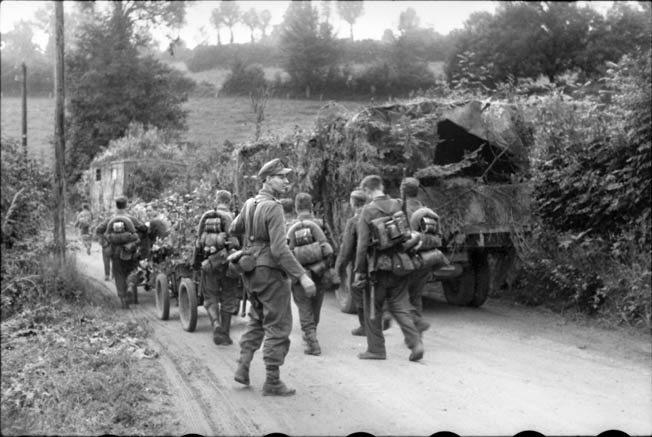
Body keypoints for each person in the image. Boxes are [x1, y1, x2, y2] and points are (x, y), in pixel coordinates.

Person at [230, 158, 316, 396]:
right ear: (267, 179)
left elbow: (233, 229)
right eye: (281, 177)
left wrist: (253, 237)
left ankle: (243, 366)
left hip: (251, 272)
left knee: (257, 319)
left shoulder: (250, 203)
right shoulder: (274, 207)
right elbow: (280, 249)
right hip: (270, 273)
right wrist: (302, 275)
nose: (286, 181)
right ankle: (272, 381)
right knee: (278, 326)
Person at [352, 175, 424, 361]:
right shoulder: (398, 204)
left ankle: (376, 350)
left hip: (378, 267)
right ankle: (415, 343)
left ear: (367, 191)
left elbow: (362, 245)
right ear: (382, 186)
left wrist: (359, 272)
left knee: (373, 308)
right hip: (401, 263)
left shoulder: (367, 211)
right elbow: (407, 233)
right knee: (400, 305)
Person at [287, 192, 333, 356]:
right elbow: (330, 249)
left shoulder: (290, 227)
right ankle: (311, 336)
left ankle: (312, 342)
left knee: (304, 308)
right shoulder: (320, 224)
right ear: (311, 206)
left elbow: (286, 253)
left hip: (300, 275)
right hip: (319, 273)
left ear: (296, 208)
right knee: (316, 307)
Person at [193, 190, 241, 346]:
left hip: (209, 264)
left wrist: (197, 263)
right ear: (229, 202)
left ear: (216, 200)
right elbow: (237, 242)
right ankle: (225, 335)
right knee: (228, 297)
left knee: (210, 297)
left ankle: (215, 324)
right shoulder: (232, 217)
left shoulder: (205, 216)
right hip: (227, 264)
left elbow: (198, 244)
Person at [95, 196, 148, 309]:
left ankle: (123, 300)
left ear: (116, 206)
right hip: (130, 251)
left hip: (115, 253)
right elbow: (143, 229)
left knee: (118, 275)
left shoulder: (110, 219)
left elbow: (98, 230)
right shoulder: (131, 218)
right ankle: (130, 284)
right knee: (134, 269)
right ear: (126, 206)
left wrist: (105, 244)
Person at [400, 177, 431, 333]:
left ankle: (416, 323)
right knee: (416, 296)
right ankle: (417, 332)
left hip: (409, 259)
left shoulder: (402, 209)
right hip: (427, 258)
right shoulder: (425, 208)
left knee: (401, 296)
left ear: (403, 191)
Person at [335, 190, 368, 336]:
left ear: (353, 203)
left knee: (357, 292)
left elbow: (347, 248)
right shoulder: (372, 217)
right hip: (378, 262)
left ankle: (364, 327)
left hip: (359, 263)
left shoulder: (353, 221)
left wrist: (339, 268)